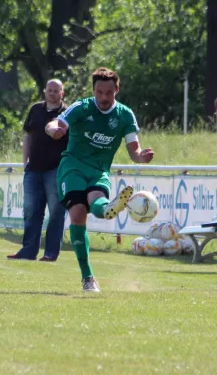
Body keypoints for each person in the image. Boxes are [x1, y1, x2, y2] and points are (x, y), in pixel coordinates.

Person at [44, 67, 154, 292]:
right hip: (72, 167)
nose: (103, 98)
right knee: (77, 213)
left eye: (108, 93)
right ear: (93, 90)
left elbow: (134, 149)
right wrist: (53, 130)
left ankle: (109, 208)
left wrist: (140, 157)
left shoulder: (125, 115)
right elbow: (54, 123)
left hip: (99, 170)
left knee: (96, 201)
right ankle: (87, 277)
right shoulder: (82, 107)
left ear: (117, 90)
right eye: (99, 92)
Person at [7, 79, 68, 262]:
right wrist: (24, 162)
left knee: (56, 212)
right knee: (31, 210)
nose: (52, 93)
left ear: (62, 93)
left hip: (56, 170)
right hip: (33, 170)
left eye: (56, 90)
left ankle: (50, 253)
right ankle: (28, 251)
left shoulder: (68, 112)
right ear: (45, 91)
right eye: (49, 90)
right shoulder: (35, 109)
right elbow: (27, 136)